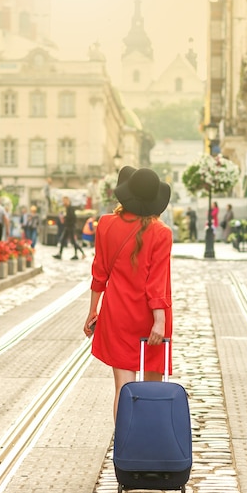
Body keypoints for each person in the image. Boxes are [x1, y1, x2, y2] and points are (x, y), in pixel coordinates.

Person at [83, 166, 172, 420]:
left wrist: (93, 310)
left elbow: (99, 272)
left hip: (117, 312)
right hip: (150, 314)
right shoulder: (161, 232)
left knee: (123, 387)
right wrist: (159, 320)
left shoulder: (106, 224)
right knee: (154, 385)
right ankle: (149, 448)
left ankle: (124, 445)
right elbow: (157, 281)